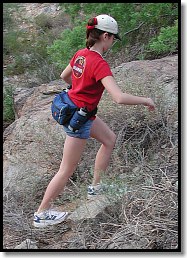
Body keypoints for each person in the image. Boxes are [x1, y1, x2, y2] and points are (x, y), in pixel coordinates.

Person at [33, 14, 155, 228]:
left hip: (73, 109)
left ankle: (96, 187)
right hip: (79, 119)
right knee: (66, 169)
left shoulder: (81, 54)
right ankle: (42, 213)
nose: (112, 43)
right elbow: (118, 98)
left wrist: (79, 89)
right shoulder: (99, 64)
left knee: (109, 138)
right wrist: (146, 100)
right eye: (112, 39)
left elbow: (65, 76)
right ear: (105, 36)